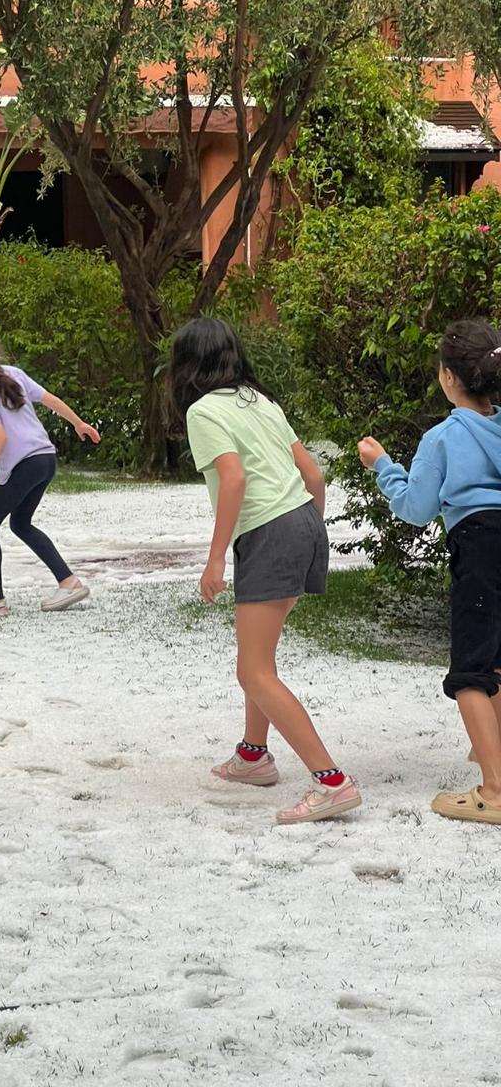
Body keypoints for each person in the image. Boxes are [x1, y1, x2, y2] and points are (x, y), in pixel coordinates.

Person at [169, 318, 361, 825]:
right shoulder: (261, 402)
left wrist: (215, 558)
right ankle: (253, 756)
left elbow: (232, 480)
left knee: (252, 670)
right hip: (302, 521)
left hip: (270, 533)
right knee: (259, 659)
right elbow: (312, 473)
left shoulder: (203, 411)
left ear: (186, 364)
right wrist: (306, 532)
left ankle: (331, 782)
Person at [359, 319, 501, 824]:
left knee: (471, 672)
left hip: (477, 547)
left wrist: (383, 466)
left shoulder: (442, 438)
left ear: (448, 377)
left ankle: (494, 791)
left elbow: (415, 508)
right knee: (497, 661)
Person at [0, 320, 100, 619]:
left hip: (25, 464)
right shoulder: (13, 374)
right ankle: (68, 582)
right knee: (20, 523)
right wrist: (78, 423)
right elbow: (50, 400)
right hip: (45, 459)